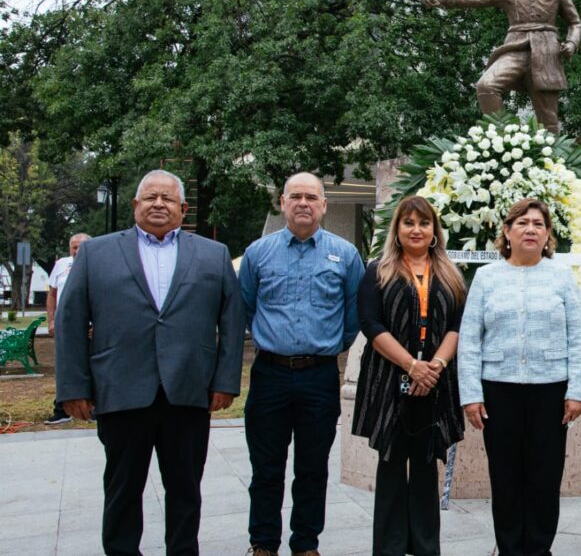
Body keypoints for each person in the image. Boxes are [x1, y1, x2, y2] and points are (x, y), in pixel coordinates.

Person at [55, 170, 244, 555]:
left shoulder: (213, 254)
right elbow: (70, 321)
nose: (159, 204)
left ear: (183, 209)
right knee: (122, 490)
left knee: (186, 490)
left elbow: (231, 320)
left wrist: (225, 381)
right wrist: (73, 388)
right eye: (150, 197)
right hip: (121, 391)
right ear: (135, 205)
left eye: (168, 198)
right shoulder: (96, 253)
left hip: (188, 392)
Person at [239, 172, 366, 556]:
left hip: (319, 375)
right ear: (282, 202)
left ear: (324, 205)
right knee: (266, 467)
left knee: (312, 468)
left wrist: (327, 347)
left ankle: (306, 543)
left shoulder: (345, 255)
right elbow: (245, 307)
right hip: (270, 374)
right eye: (296, 196)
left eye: (312, 197)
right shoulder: (258, 254)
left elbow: (354, 314)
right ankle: (263, 543)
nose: (304, 203)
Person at [457, 197, 581, 556]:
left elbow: (579, 336)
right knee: (505, 476)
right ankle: (511, 547)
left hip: (551, 392)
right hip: (498, 392)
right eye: (522, 223)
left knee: (545, 477)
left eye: (538, 224)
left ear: (548, 234)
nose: (531, 229)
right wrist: (471, 394)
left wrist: (577, 390)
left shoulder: (562, 277)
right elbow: (469, 339)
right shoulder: (486, 277)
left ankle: (539, 548)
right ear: (506, 231)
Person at [351, 196, 467, 556]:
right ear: (397, 229)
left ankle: (425, 546)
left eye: (424, 223)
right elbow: (371, 324)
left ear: (434, 231)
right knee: (390, 463)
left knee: (424, 464)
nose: (416, 230)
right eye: (408, 223)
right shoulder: (378, 270)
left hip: (435, 382)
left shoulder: (449, 272)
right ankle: (389, 547)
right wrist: (412, 366)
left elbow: (457, 325)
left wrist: (435, 367)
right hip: (390, 381)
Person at [420, 0, 581, 134]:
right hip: (515, 48)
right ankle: (502, 143)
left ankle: (552, 161)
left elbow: (575, 23)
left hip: (547, 52)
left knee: (548, 117)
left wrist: (572, 43)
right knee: (487, 85)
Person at [45, 232, 91, 425]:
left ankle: (93, 406)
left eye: (81, 246)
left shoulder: (99, 263)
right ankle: (62, 408)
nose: (77, 250)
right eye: (74, 247)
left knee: (91, 364)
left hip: (89, 323)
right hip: (67, 323)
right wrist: (51, 320)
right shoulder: (62, 265)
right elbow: (52, 294)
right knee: (65, 364)